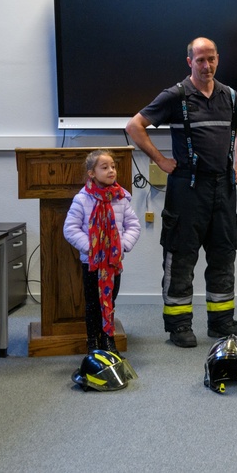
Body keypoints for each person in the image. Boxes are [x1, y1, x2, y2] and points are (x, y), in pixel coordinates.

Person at [125, 37, 237, 348]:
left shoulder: (231, 96)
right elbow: (134, 126)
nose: (206, 66)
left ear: (218, 59)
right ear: (189, 62)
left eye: (211, 59)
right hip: (187, 189)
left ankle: (222, 321)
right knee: (180, 256)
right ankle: (179, 326)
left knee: (224, 254)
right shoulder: (175, 96)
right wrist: (160, 159)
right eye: (200, 60)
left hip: (223, 188)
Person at [63, 150, 141, 354]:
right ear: (91, 173)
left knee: (110, 301)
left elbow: (134, 225)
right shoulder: (82, 200)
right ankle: (93, 342)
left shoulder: (121, 198)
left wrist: (121, 246)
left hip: (113, 263)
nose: (111, 170)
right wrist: (93, 248)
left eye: (113, 166)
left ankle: (108, 339)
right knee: (92, 304)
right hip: (92, 263)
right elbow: (70, 229)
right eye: (104, 167)